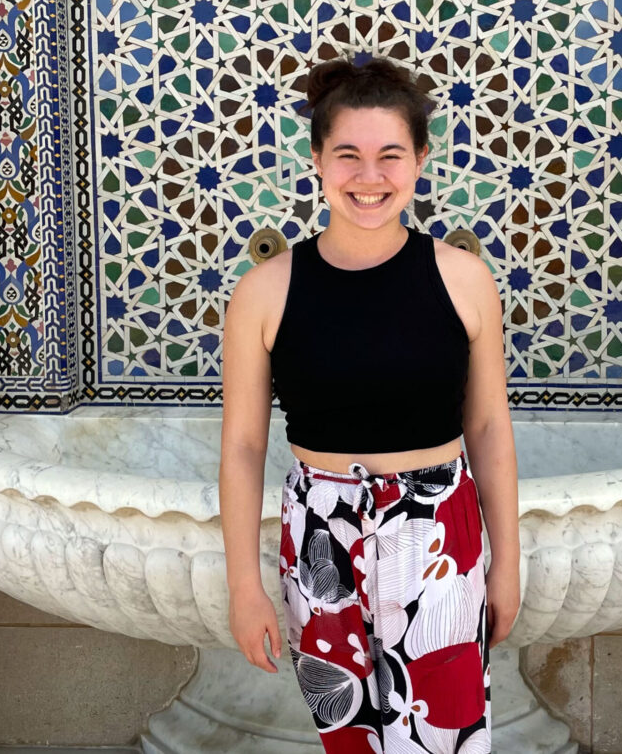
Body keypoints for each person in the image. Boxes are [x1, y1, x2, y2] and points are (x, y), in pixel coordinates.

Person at [219, 52, 520, 753]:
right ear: (318, 160)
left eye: (390, 155)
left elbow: (488, 426)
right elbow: (241, 447)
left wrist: (506, 562)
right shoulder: (264, 291)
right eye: (347, 154)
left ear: (419, 159)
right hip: (321, 533)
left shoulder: (465, 279)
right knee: (349, 737)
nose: (369, 176)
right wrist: (244, 584)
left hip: (441, 533)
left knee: (445, 738)